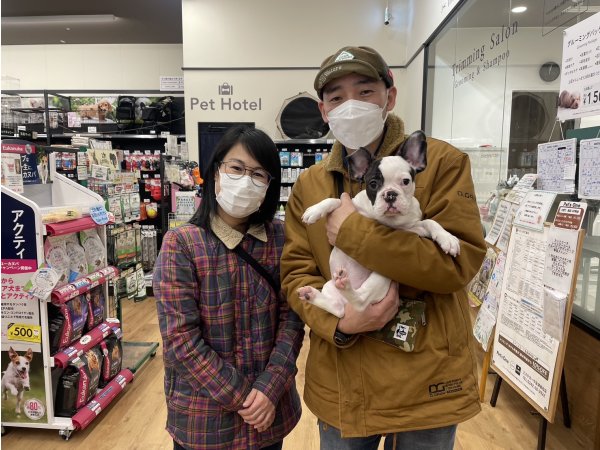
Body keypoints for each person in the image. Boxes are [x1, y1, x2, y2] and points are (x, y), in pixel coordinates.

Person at [281, 46, 487, 449]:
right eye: (336, 98)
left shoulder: (442, 163)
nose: (350, 106)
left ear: (389, 97)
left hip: (426, 380)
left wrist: (354, 233)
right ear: (323, 111)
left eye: (364, 92)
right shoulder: (310, 184)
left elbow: (457, 266)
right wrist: (339, 324)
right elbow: (296, 274)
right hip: (344, 379)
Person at [154, 126, 304, 450]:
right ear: (215, 172)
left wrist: (269, 389)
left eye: (259, 174)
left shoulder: (281, 238)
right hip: (204, 422)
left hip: (269, 418)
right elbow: (181, 340)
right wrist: (245, 398)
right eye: (236, 168)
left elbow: (292, 319)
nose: (245, 181)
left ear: (270, 185)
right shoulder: (182, 244)